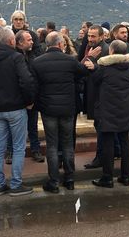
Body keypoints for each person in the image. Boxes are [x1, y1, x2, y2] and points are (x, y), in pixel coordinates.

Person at [0, 28, 36, 196]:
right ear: (12, 42)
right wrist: (29, 101)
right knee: (18, 148)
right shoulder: (16, 58)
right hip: (16, 108)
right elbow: (26, 81)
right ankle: (16, 184)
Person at [31, 32, 88, 193]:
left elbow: (34, 86)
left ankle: (54, 181)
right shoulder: (70, 61)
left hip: (48, 108)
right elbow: (83, 73)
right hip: (68, 108)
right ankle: (69, 179)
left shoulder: (37, 62)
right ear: (61, 44)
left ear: (46, 45)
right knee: (68, 144)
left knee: (52, 145)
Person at [85, 40, 129, 188]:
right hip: (125, 109)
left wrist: (93, 62)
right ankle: (125, 176)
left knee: (108, 145)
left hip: (107, 111)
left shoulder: (104, 69)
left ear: (111, 51)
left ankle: (107, 177)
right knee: (125, 143)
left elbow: (94, 81)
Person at [11, 10, 44, 163]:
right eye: (16, 19)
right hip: (16, 91)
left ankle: (35, 150)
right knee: (15, 126)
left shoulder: (32, 37)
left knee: (32, 124)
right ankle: (11, 152)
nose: (18, 22)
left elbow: (38, 54)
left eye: (21, 19)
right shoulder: (9, 36)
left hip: (32, 89)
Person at [80, 25, 110, 169]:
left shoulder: (104, 50)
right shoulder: (91, 48)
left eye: (93, 36)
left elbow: (101, 74)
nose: (90, 39)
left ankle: (101, 158)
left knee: (101, 128)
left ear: (101, 37)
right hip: (94, 94)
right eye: (89, 36)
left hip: (100, 96)